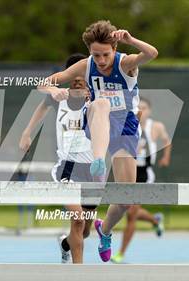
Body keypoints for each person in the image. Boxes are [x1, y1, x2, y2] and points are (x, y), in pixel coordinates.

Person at [38, 20, 158, 262]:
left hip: (125, 127)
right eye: (96, 55)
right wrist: (53, 91)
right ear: (90, 52)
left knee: (126, 198)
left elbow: (152, 53)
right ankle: (99, 161)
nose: (101, 61)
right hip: (96, 122)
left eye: (105, 55)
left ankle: (105, 230)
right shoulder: (86, 65)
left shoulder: (126, 64)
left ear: (114, 48)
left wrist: (131, 40)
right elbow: (45, 83)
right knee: (100, 104)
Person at [20, 53, 96, 264]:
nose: (79, 78)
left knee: (85, 230)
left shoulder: (95, 96)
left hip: (91, 169)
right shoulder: (59, 96)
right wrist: (27, 132)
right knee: (78, 220)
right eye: (75, 74)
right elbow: (41, 91)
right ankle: (78, 273)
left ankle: (65, 243)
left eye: (83, 74)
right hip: (67, 167)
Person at [111, 97, 171, 263]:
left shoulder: (156, 127)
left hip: (144, 174)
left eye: (145, 108)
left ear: (150, 111)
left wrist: (166, 156)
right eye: (139, 107)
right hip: (127, 171)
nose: (142, 111)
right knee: (129, 210)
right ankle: (155, 220)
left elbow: (167, 141)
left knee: (131, 214)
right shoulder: (126, 124)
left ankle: (120, 253)